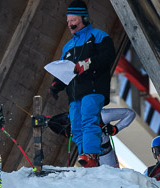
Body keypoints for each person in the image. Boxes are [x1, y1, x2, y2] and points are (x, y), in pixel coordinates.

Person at [49, 0, 116, 168]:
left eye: (74, 21)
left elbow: (108, 57)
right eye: (68, 21)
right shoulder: (68, 46)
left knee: (88, 120)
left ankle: (92, 155)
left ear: (84, 18)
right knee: (76, 127)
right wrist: (56, 84)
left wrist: (88, 63)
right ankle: (84, 157)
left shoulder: (99, 36)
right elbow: (65, 69)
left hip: (93, 89)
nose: (70, 25)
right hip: (74, 93)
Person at [46, 107, 136, 167]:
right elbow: (52, 122)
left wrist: (115, 129)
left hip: (104, 153)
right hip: (87, 154)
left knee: (113, 179)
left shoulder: (102, 115)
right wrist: (66, 131)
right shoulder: (75, 117)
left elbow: (130, 114)